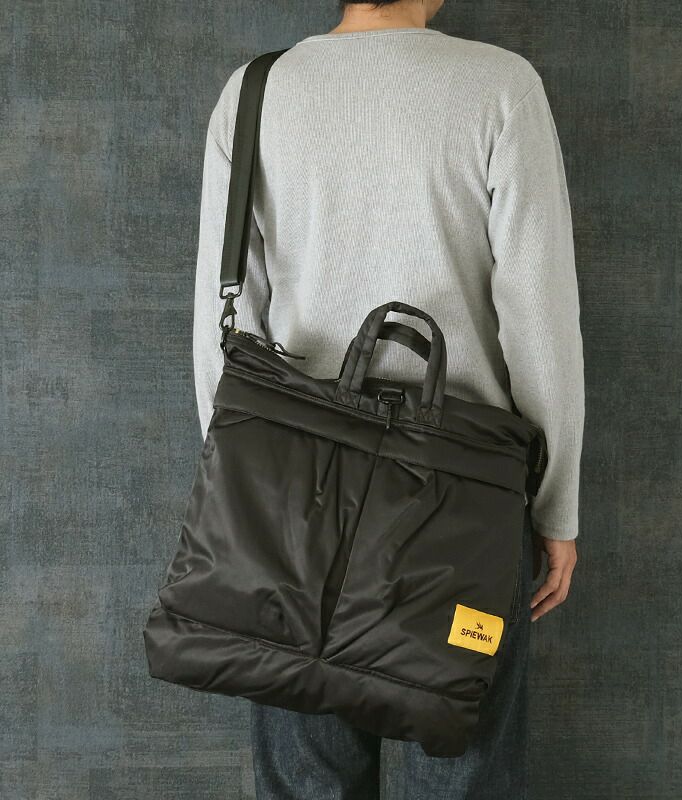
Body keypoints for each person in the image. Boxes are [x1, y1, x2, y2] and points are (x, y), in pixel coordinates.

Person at [192, 0, 584, 796]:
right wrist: (554, 509)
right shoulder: (499, 87)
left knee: (309, 782)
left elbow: (220, 322)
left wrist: (245, 501)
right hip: (465, 498)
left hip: (292, 499)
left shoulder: (255, 91)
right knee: (466, 777)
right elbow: (539, 318)